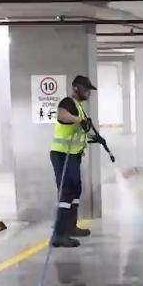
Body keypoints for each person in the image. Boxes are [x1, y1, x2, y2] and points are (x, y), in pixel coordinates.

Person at [50, 75, 98, 248]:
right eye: (87, 90)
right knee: (66, 192)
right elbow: (61, 115)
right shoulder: (68, 102)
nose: (89, 93)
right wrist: (80, 120)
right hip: (62, 155)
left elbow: (78, 130)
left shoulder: (79, 107)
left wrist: (93, 136)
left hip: (73, 155)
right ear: (77, 89)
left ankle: (71, 227)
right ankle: (59, 234)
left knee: (76, 190)